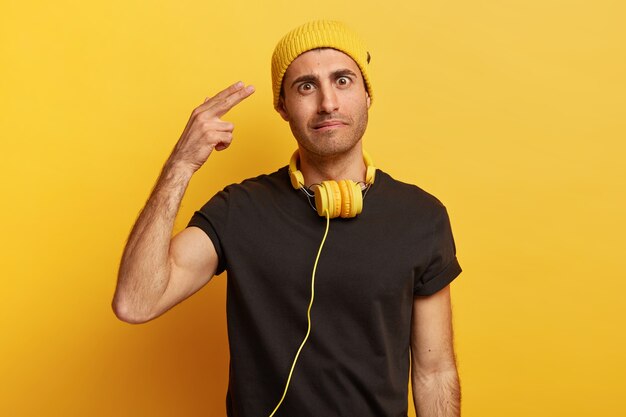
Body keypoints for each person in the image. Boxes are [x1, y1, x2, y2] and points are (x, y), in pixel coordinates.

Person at [113, 20, 462, 417]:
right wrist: (181, 164)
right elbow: (135, 302)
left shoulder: (421, 218)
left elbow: (435, 372)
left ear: (368, 95)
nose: (327, 102)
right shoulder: (238, 210)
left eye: (343, 81)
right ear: (282, 106)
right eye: (306, 86)